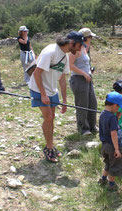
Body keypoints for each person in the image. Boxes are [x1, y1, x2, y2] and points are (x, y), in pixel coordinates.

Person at [28, 31, 85, 163]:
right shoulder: (51, 52)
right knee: (48, 117)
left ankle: (51, 145)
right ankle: (48, 149)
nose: (80, 48)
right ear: (71, 43)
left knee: (52, 117)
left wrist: (64, 100)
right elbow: (37, 74)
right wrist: (42, 94)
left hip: (52, 90)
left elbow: (62, 79)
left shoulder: (64, 56)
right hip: (39, 88)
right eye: (79, 45)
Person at [69, 28, 97, 136]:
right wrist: (84, 74)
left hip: (88, 79)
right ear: (85, 38)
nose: (91, 39)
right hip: (79, 80)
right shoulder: (76, 49)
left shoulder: (85, 48)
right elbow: (70, 65)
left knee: (92, 103)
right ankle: (84, 128)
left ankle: (92, 125)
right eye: (90, 37)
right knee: (82, 104)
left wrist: (89, 71)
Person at [98, 91, 122, 191]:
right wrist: (117, 150)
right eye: (118, 106)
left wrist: (116, 118)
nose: (118, 109)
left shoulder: (102, 114)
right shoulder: (112, 117)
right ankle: (111, 184)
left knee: (108, 163)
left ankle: (103, 179)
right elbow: (113, 134)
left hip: (104, 145)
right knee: (114, 166)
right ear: (114, 105)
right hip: (112, 146)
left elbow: (107, 127)